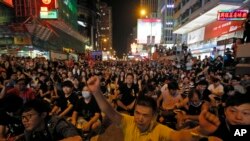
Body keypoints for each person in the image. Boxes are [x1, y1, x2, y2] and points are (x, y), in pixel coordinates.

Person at [87, 76, 221, 141]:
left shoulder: (159, 129)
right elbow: (108, 111)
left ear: (154, 116)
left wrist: (199, 131)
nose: (139, 118)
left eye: (145, 115)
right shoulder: (128, 122)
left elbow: (178, 136)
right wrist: (96, 92)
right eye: (137, 113)